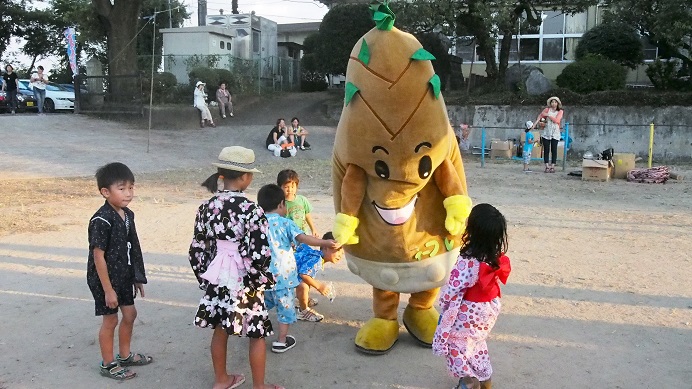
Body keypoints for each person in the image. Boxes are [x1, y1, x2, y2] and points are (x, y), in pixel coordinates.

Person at [188, 146, 283, 389]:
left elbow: (198, 247)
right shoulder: (252, 211)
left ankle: (221, 380)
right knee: (256, 333)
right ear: (245, 177)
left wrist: (205, 277)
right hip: (244, 279)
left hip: (218, 276)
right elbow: (260, 252)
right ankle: (259, 387)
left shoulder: (206, 207)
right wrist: (261, 280)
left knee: (220, 327)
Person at [432, 203, 511, 389]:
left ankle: (468, 381)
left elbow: (453, 287)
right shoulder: (496, 257)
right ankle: (485, 379)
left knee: (456, 344)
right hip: (489, 308)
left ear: (472, 229)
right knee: (475, 341)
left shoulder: (468, 260)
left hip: (469, 311)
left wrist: (444, 304)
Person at [87, 162, 152, 381]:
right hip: (104, 279)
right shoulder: (101, 220)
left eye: (131, 188)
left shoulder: (127, 215)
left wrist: (136, 276)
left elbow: (131, 245)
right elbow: (98, 256)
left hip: (123, 274)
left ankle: (124, 356)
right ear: (105, 192)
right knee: (110, 320)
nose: (128, 193)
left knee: (131, 314)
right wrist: (108, 290)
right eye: (122, 188)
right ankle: (108, 364)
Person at [256, 184, 338, 353]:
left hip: (263, 276)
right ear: (281, 204)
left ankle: (254, 328)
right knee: (285, 308)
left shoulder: (256, 223)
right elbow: (303, 238)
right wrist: (324, 242)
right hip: (283, 277)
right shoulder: (285, 223)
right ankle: (281, 340)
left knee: (265, 302)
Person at [293, 232, 341, 322]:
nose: (341, 255)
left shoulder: (316, 256)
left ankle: (301, 300)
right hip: (283, 273)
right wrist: (319, 286)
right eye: (338, 250)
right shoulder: (316, 259)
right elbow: (303, 274)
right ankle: (303, 311)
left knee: (307, 281)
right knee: (304, 285)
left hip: (289, 270)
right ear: (326, 247)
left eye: (342, 252)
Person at [277, 169, 318, 236]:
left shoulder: (302, 200)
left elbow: (307, 215)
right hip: (288, 236)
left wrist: (313, 229)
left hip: (303, 234)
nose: (290, 190)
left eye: (292, 187)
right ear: (280, 187)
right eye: (286, 187)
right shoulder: (280, 203)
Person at [530, 96, 563, 173]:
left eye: (555, 102)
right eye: (552, 102)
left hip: (555, 132)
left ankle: (553, 166)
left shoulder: (560, 111)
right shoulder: (547, 110)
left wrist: (548, 115)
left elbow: (557, 120)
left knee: (554, 149)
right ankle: (547, 165)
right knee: (546, 149)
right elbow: (540, 117)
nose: (554, 104)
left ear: (558, 103)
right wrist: (535, 124)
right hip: (546, 131)